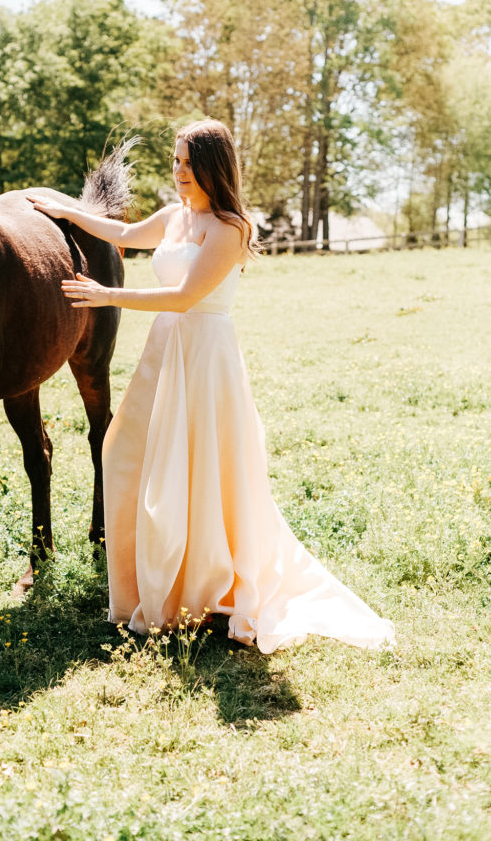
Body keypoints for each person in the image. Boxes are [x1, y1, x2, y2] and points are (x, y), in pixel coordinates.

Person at [28, 119, 395, 653]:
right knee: (126, 451)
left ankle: (200, 590)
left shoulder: (229, 228)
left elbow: (184, 296)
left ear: (212, 167)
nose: (178, 173)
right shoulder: (177, 217)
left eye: (187, 163)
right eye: (175, 161)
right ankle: (151, 584)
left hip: (204, 354)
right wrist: (67, 212)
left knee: (198, 469)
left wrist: (107, 296)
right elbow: (127, 236)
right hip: (165, 352)